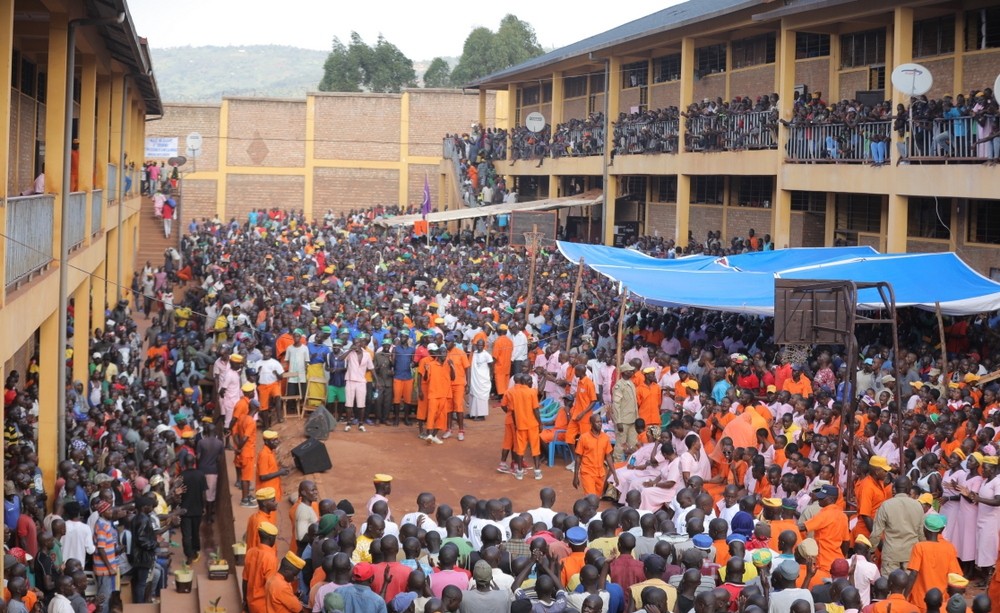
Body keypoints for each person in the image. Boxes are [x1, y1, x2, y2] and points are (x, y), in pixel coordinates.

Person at [906, 514, 962, 612]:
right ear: (940, 531)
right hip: (940, 601)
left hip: (920, 601)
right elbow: (955, 575)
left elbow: (913, 574)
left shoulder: (919, 547)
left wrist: (904, 596)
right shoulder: (949, 548)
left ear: (925, 529)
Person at [871, 477, 925, 575]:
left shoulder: (886, 505)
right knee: (909, 582)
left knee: (889, 582)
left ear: (895, 488)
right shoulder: (918, 506)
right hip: (911, 553)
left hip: (891, 553)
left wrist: (871, 550)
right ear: (909, 489)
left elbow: (876, 533)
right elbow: (921, 534)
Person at [573, 413, 617, 497]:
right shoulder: (584, 438)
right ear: (591, 423)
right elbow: (578, 457)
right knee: (591, 498)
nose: (600, 424)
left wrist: (614, 474)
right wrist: (575, 476)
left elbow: (608, 456)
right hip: (587, 472)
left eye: (600, 421)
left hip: (600, 474)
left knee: (597, 498)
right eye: (597, 422)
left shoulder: (605, 438)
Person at [177, 453, 208, 565]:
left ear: (185, 464)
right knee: (195, 532)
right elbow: (203, 494)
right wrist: (204, 507)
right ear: (194, 463)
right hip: (197, 508)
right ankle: (195, 551)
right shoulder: (200, 475)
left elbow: (178, 494)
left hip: (184, 510)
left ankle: (189, 555)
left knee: (186, 534)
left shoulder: (181, 476)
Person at [243, 521, 279, 613]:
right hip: (264, 605)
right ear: (271, 538)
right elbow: (271, 586)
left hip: (250, 602)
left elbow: (245, 580)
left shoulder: (250, 552)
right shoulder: (271, 558)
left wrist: (245, 601)